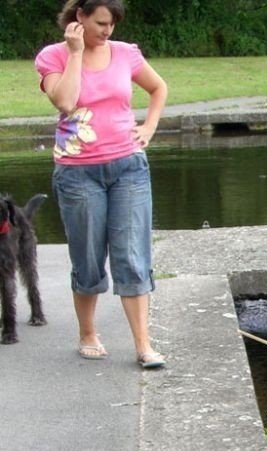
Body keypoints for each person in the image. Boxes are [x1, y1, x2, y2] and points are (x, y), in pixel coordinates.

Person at [35, 0, 168, 368]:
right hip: (78, 173)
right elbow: (65, 101)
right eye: (101, 23)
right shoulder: (53, 57)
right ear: (79, 17)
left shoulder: (126, 54)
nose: (107, 31)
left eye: (112, 24)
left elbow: (158, 89)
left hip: (129, 168)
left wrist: (149, 127)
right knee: (89, 258)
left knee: (133, 255)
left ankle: (143, 344)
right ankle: (88, 332)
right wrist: (76, 53)